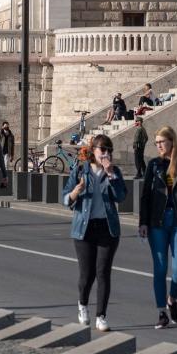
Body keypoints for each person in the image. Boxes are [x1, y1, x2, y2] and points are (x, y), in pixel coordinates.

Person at [139, 126, 177, 329]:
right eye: (156, 142)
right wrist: (143, 222)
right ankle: (161, 312)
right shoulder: (154, 165)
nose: (158, 145)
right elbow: (146, 196)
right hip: (157, 222)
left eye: (161, 142)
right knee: (159, 269)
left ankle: (172, 299)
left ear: (171, 141)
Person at [62, 134, 126, 332]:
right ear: (93, 151)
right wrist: (76, 191)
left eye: (109, 151)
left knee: (103, 273)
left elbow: (121, 196)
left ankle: (101, 316)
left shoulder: (114, 172)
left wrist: (111, 175)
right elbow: (65, 198)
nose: (106, 154)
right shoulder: (81, 170)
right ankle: (82, 305)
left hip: (107, 228)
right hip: (84, 228)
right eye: (102, 150)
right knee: (87, 274)